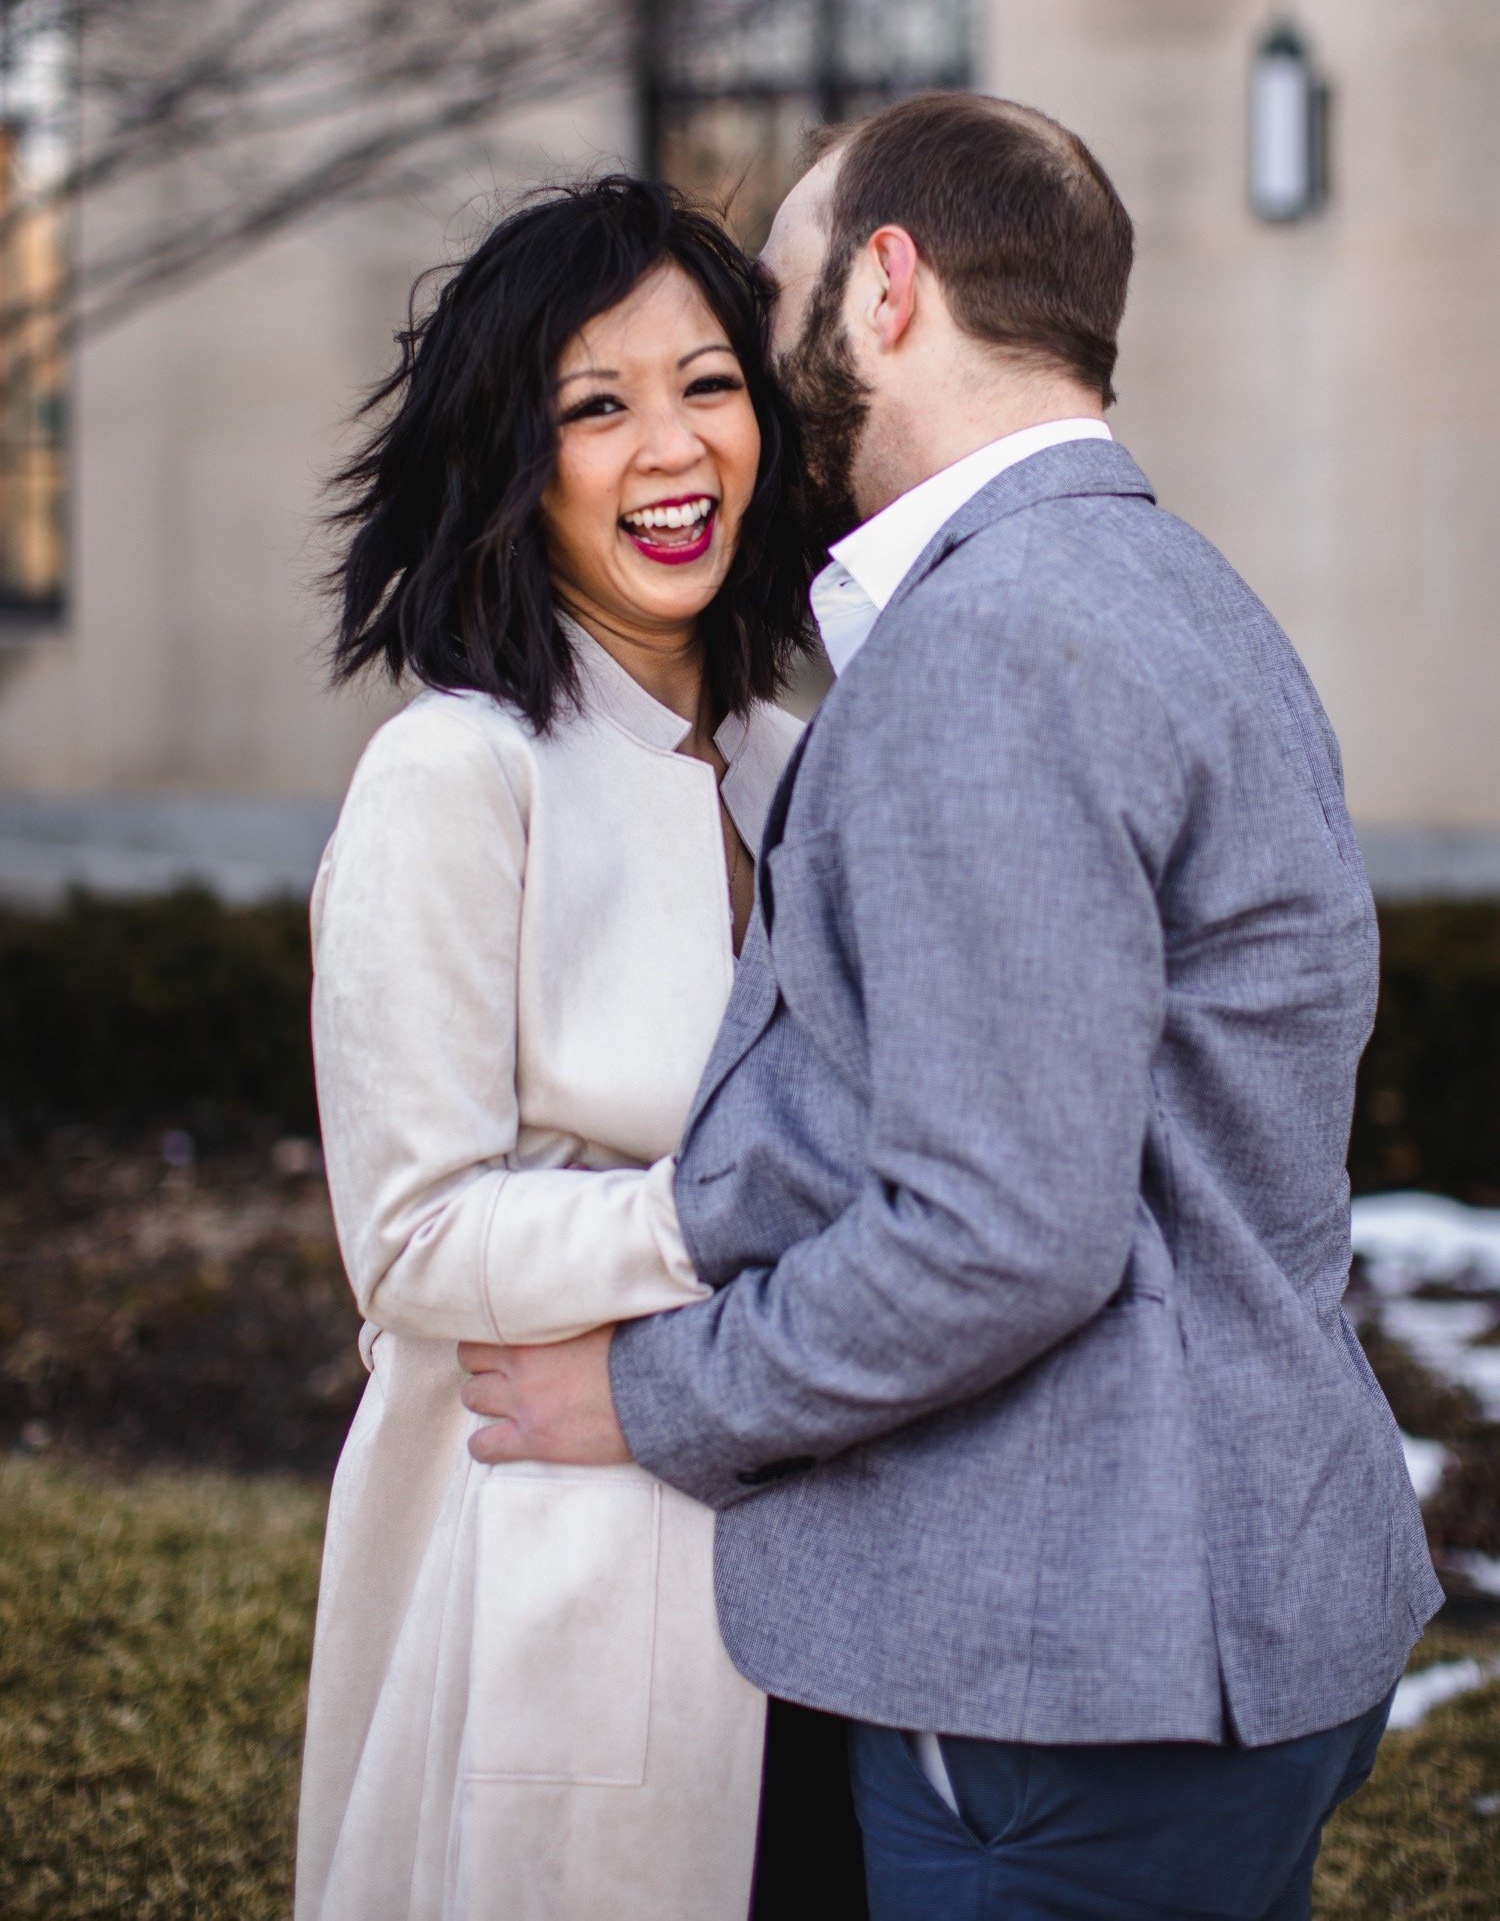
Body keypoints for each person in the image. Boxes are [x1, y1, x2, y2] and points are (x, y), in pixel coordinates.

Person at [459, 94, 1442, 1920]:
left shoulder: (988, 649)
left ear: (887, 287)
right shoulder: (1181, 593)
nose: (758, 346)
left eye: (782, 289)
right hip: (1223, 1617)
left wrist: (651, 1392)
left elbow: (1001, 1233)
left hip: (1065, 1678)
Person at [294, 176, 825, 1921]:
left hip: (811, 1584)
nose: (671, 448)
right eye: (595, 406)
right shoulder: (460, 774)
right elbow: (415, 1235)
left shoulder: (785, 753)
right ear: (510, 465)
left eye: (709, 382)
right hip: (552, 1580)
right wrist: (718, 1216)